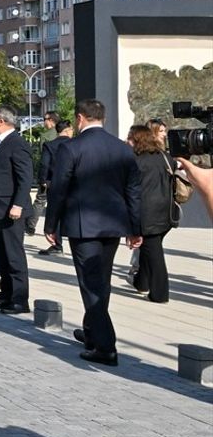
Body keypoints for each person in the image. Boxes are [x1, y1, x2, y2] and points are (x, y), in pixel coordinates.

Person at [44, 99, 142, 367]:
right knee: (102, 281)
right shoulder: (122, 149)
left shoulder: (71, 147)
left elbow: (59, 189)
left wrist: (51, 224)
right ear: (103, 118)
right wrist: (135, 228)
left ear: (80, 118)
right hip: (113, 224)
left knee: (91, 284)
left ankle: (105, 346)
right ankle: (91, 332)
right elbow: (133, 191)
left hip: (82, 225)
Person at [0, 105, 33, 315]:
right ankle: (6, 296)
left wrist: (18, 204)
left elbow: (25, 177)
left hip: (10, 209)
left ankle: (20, 299)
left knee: (14, 256)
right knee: (1, 255)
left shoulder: (16, 143)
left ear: (1, 120)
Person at [127, 125, 175, 303]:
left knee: (154, 254)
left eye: (130, 137)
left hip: (147, 213)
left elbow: (131, 190)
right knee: (150, 248)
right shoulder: (164, 157)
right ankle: (141, 282)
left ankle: (160, 293)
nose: (128, 140)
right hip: (166, 210)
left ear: (137, 140)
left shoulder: (136, 161)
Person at [35, 120, 74, 255]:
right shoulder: (75, 143)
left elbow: (44, 164)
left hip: (55, 183)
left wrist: (43, 180)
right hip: (74, 184)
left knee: (56, 213)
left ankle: (58, 245)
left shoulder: (50, 145)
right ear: (68, 129)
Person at [26, 111, 62, 235]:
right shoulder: (64, 134)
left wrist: (42, 177)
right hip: (63, 174)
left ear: (51, 121)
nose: (44, 122)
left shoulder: (46, 136)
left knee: (40, 200)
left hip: (48, 175)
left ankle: (31, 225)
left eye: (44, 119)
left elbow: (44, 160)